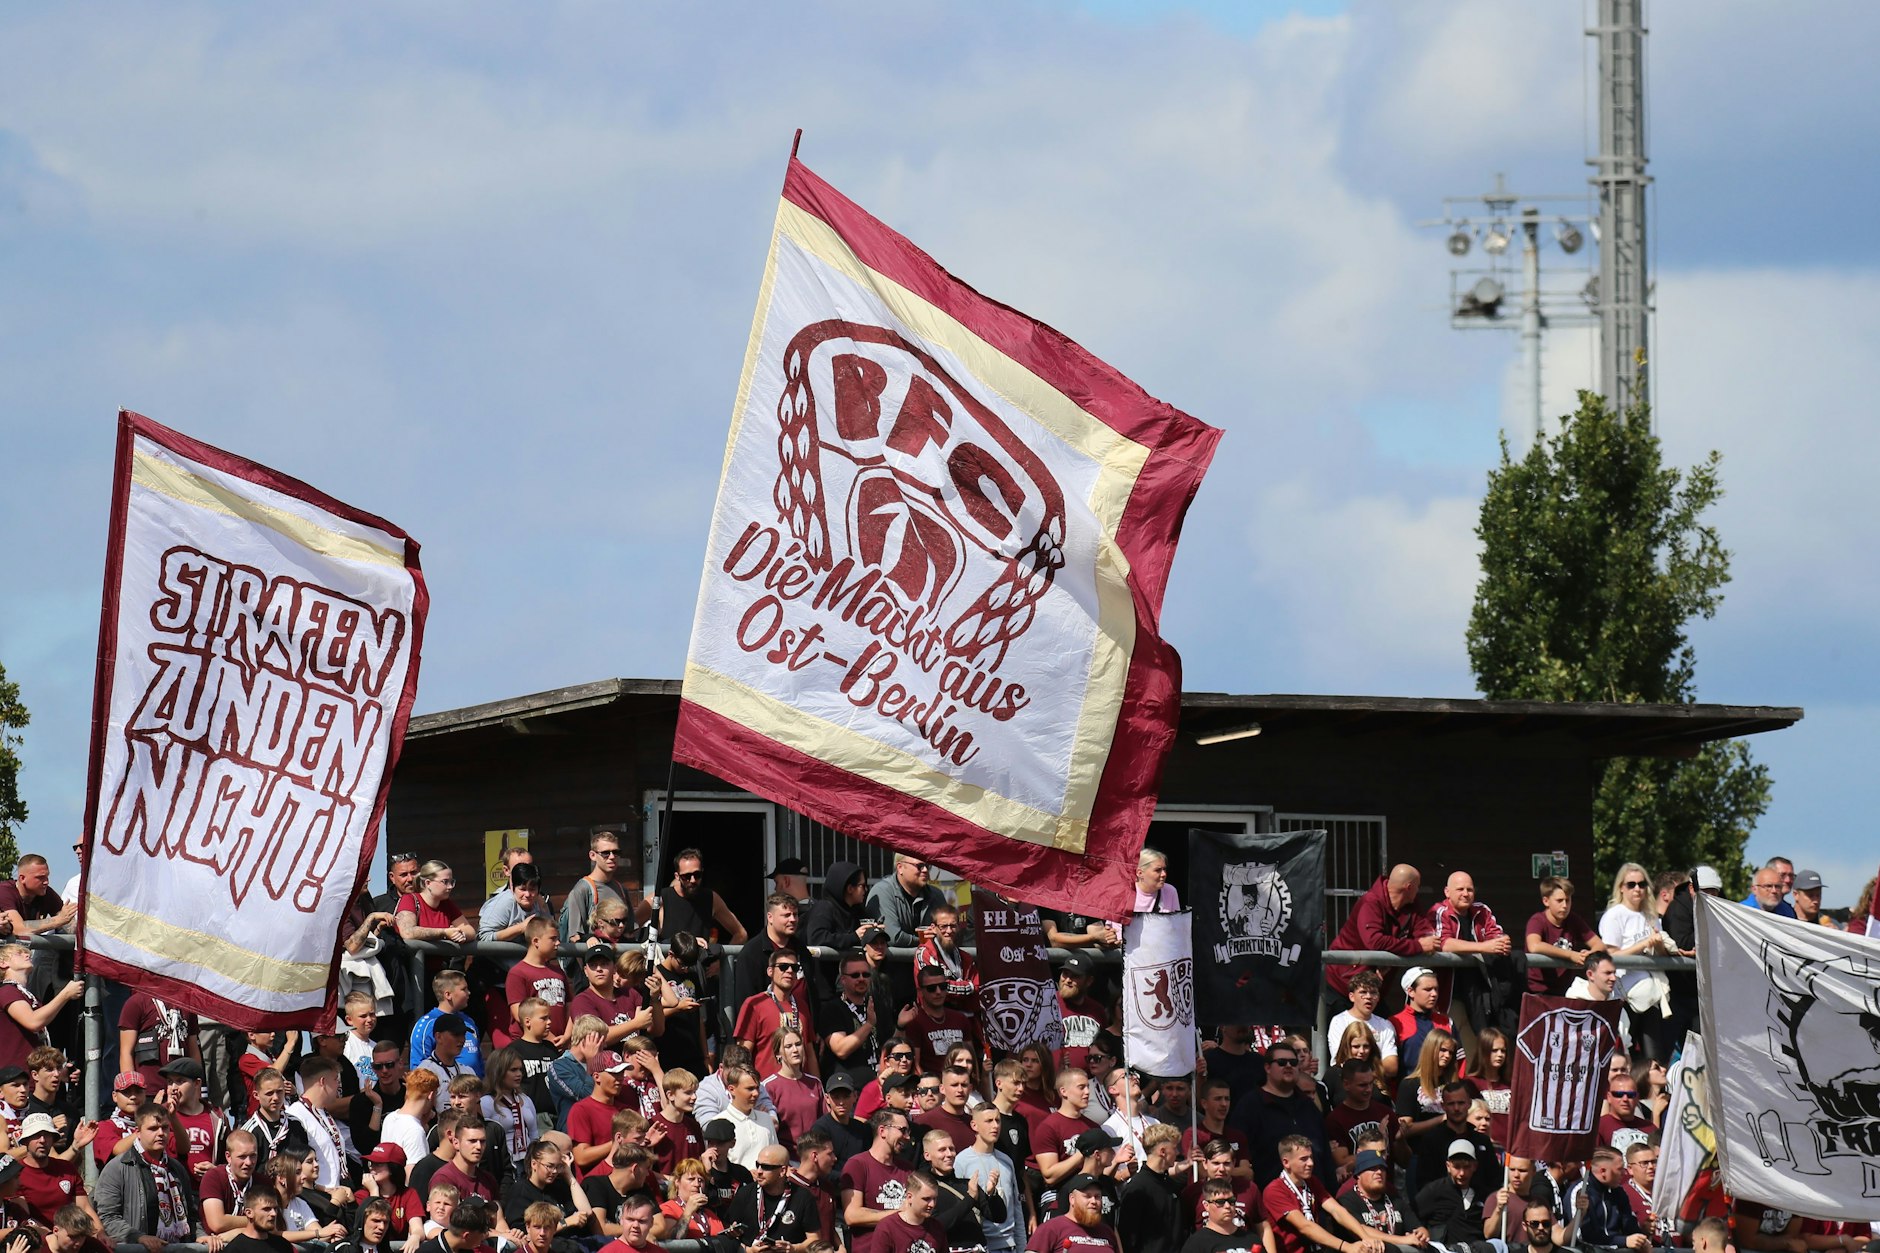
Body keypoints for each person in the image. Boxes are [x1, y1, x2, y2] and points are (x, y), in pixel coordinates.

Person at [96, 1102, 202, 1253]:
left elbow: (191, 1215)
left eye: (165, 1127)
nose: (161, 1133)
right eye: (153, 1128)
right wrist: (139, 1238)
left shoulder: (177, 1169)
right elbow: (107, 1218)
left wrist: (201, 1235)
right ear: (137, 1132)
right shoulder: (117, 1168)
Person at [1325, 866, 1437, 1004]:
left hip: (1375, 989)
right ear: (1408, 887)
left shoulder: (1411, 905)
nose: (1418, 890)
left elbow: (1426, 934)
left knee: (1383, 1024)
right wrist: (1418, 946)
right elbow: (1374, 941)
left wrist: (1430, 941)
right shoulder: (1371, 902)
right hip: (1344, 985)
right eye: (1417, 886)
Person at [1231, 1044, 1330, 1189]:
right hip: (1271, 1198)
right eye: (1282, 1062)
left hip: (1315, 1197)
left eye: (1293, 1062)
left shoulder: (1308, 1106)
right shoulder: (1249, 1105)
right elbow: (1239, 1155)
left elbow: (1325, 1155)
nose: (1288, 1066)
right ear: (1267, 1068)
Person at [1262, 1136, 1382, 1253]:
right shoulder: (1274, 1190)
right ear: (1286, 1162)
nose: (1310, 1163)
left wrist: (1365, 1237)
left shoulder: (1312, 1181)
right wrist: (1346, 1247)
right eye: (1304, 1159)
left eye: (1311, 1157)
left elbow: (1337, 1210)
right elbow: (1305, 1227)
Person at [1426, 871, 1511, 1030]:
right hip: (1450, 995)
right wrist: (1484, 947)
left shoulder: (1482, 910)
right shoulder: (1439, 911)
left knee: (1476, 1047)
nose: (1466, 894)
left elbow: (1498, 938)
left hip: (1481, 992)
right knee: (1450, 1046)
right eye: (1460, 889)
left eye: (1470, 890)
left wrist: (1503, 942)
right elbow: (1444, 944)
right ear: (1447, 892)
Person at [0, 942, 83, 1076]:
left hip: (30, 1077)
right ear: (3, 963)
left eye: (26, 952)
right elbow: (33, 1022)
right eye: (19, 953)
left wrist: (59, 1071)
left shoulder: (25, 995)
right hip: (14, 1079)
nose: (27, 954)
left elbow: (39, 1038)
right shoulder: (7, 991)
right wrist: (65, 994)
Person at [1405, 1080, 1498, 1197]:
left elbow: (1494, 1181)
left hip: (1478, 1208)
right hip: (1443, 1207)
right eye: (1451, 1104)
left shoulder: (1482, 1141)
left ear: (1469, 1104)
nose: (1456, 1108)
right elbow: (1424, 1184)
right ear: (1443, 1106)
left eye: (1461, 1103)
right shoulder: (1431, 1140)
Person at [735, 950, 819, 1080]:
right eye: (783, 967)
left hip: (801, 1088)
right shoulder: (754, 1004)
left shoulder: (802, 1005)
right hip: (766, 1090)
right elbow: (743, 1054)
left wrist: (818, 1087)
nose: (790, 971)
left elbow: (810, 1053)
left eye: (794, 968)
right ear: (770, 971)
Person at [841, 1108, 912, 1253]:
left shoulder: (908, 1169)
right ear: (882, 1131)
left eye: (908, 1132)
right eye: (902, 1130)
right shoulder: (857, 1164)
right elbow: (852, 1215)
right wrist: (899, 1213)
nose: (907, 1137)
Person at [725, 1143, 819, 1251]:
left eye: (766, 1167)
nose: (759, 1171)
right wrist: (746, 1248)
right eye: (758, 1165)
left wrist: (793, 1248)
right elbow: (727, 1231)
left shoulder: (803, 1197)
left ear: (782, 1171)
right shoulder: (745, 1193)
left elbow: (815, 1239)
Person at [957, 1104, 1024, 1253]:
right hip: (980, 1245)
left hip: (1009, 1244)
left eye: (998, 1120)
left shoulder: (1006, 1161)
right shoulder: (961, 1161)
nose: (995, 1126)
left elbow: (1016, 1207)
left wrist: (1022, 1247)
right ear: (974, 1125)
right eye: (989, 1121)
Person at [734, 893, 814, 1015]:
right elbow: (746, 1003)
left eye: (795, 914)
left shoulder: (802, 950)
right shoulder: (751, 954)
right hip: (770, 1029)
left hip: (802, 1027)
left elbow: (813, 994)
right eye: (786, 915)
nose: (793, 919)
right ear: (770, 917)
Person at [1526, 878, 1608, 996]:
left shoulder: (1574, 920)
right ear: (1546, 901)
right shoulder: (1537, 920)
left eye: (1568, 900)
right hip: (1537, 990)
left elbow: (1599, 944)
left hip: (1565, 989)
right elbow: (1534, 946)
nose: (1565, 906)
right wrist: (1571, 955)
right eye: (1559, 901)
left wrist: (1589, 955)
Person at [14, 1112, 95, 1227]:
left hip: (72, 1237)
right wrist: (52, 1239)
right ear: (25, 1141)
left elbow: (85, 1208)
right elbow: (24, 1220)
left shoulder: (67, 1168)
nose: (42, 1140)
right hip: (36, 1239)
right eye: (36, 1135)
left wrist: (100, 1233)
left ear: (53, 1140)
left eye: (47, 1135)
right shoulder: (15, 1174)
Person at [1334, 1148, 1426, 1248]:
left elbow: (1418, 1227)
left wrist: (1422, 1235)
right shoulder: (1347, 1201)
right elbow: (1360, 1230)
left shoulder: (1395, 1200)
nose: (1379, 1172)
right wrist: (1403, 1240)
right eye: (1372, 1168)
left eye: (1382, 1168)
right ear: (1359, 1174)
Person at [899, 967, 979, 1078]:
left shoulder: (960, 1019)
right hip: (933, 1088)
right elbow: (915, 1066)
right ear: (920, 991)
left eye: (942, 987)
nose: (938, 992)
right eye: (931, 988)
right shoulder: (915, 1022)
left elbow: (972, 1059)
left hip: (962, 1085)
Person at [502, 919, 570, 1050]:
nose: (558, 943)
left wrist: (567, 1036)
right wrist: (551, 1039)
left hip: (560, 1045)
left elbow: (569, 1006)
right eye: (553, 939)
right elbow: (519, 1013)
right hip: (530, 1047)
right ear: (536, 941)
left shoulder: (558, 972)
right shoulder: (518, 973)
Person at [655, 848, 747, 944]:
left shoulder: (711, 898)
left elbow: (741, 934)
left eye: (697, 874)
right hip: (669, 958)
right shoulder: (660, 898)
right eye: (687, 876)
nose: (693, 880)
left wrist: (723, 958)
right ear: (677, 876)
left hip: (700, 958)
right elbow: (637, 925)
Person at [1115, 1123, 1183, 1253]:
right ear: (1162, 1151)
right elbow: (1128, 1238)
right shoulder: (1137, 1188)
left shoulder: (1171, 1185)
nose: (1178, 1152)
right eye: (1174, 1148)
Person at [1563, 1147, 1647, 1251]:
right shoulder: (1581, 1192)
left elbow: (1629, 1226)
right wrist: (1624, 1241)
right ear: (1603, 1171)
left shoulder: (1619, 1192)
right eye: (1619, 1169)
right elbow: (1582, 1237)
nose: (1624, 1173)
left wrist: (1641, 1238)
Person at [1327, 973, 1399, 1087]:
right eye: (1363, 992)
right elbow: (1341, 1060)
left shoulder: (1385, 1025)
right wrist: (1376, 1069)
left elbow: (1392, 1067)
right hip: (1345, 1085)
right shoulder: (1339, 1021)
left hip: (1376, 1087)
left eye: (1373, 992)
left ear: (1379, 997)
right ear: (1351, 996)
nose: (1369, 997)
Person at [412, 974, 484, 1082]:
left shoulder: (469, 1021)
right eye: (464, 989)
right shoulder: (427, 1024)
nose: (469, 993)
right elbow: (418, 1069)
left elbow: (478, 1058)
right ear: (448, 994)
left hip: (474, 1090)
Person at [1026, 1173, 1121, 1253]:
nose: (1093, 1201)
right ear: (1072, 1199)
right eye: (1087, 1196)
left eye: (1097, 1196)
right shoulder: (1051, 1228)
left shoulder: (1107, 1232)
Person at [763, 1028, 826, 1149]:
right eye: (788, 1046)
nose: (795, 1050)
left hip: (814, 1154)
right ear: (778, 1053)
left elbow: (824, 1122)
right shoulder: (769, 1086)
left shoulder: (815, 1083)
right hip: (787, 1159)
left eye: (798, 1044)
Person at [868, 857, 949, 948]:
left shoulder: (936, 894)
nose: (925, 870)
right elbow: (893, 937)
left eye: (927, 866)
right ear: (900, 868)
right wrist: (926, 941)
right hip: (894, 960)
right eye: (919, 866)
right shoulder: (883, 891)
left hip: (931, 960)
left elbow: (948, 932)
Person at [912, 904, 978, 1008]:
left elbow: (977, 986)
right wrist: (968, 987)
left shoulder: (965, 957)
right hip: (933, 1016)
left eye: (953, 926)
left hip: (963, 1017)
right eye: (943, 926)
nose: (949, 931)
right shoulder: (924, 953)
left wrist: (950, 987)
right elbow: (933, 987)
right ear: (933, 928)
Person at [719, 1066, 780, 1170]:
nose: (756, 1093)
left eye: (757, 1088)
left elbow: (776, 1157)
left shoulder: (766, 1119)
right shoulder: (719, 1122)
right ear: (731, 1089)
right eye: (750, 1089)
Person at [805, 862, 873, 953]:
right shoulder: (824, 908)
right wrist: (854, 937)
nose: (866, 890)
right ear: (850, 888)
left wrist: (874, 932)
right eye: (862, 886)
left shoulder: (857, 911)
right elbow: (817, 938)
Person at [1182, 1177, 1262, 1253]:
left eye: (1231, 1200)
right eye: (1220, 1202)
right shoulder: (1196, 1244)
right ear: (1206, 1205)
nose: (1227, 1206)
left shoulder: (1252, 1239)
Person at [1597, 1072, 1657, 1153]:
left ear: (1637, 1098)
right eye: (1618, 1094)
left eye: (1631, 1095)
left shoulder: (1650, 1128)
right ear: (1609, 1097)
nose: (1625, 1099)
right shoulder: (1599, 1127)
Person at [1134, 849, 1180, 913]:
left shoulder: (1170, 892)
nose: (1164, 874)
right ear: (1140, 873)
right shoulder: (1124, 894)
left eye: (1164, 869)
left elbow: (1176, 921)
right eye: (1158, 870)